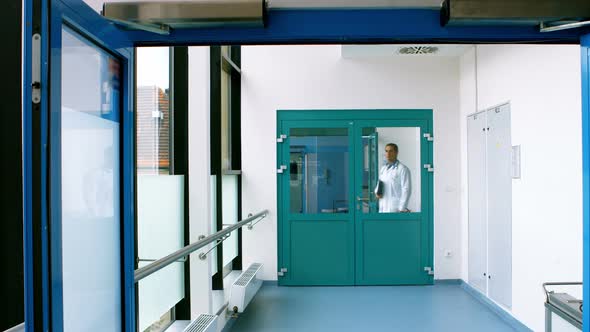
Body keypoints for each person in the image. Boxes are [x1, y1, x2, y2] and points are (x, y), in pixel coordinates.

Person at [375, 143, 411, 213]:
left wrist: (402, 208)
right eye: (386, 151)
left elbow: (406, 189)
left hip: (395, 208)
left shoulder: (403, 169)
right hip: (383, 206)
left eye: (391, 151)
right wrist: (377, 192)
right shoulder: (383, 168)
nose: (388, 154)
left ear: (396, 152)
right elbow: (379, 184)